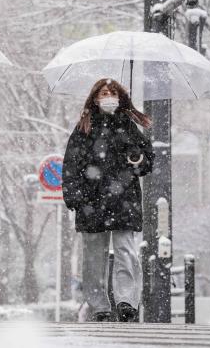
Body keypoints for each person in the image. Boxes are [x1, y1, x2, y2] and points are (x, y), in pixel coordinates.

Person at [62, 78, 153, 323]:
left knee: (126, 252)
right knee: (93, 255)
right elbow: (70, 164)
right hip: (91, 201)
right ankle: (99, 305)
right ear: (95, 98)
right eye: (103, 92)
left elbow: (147, 161)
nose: (108, 96)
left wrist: (137, 158)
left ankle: (127, 302)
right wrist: (73, 196)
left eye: (112, 92)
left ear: (120, 97)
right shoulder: (84, 129)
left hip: (124, 199)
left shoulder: (130, 127)